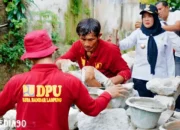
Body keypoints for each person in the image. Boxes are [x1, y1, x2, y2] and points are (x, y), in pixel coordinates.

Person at [0, 30, 128, 130]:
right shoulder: (71, 82)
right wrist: (108, 93)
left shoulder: (16, 83)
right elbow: (92, 109)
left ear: (29, 57)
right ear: (52, 51)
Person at [118, 5, 175, 97]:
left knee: (158, 107)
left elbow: (169, 58)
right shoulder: (138, 33)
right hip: (140, 78)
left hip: (160, 79)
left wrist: (170, 79)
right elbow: (126, 44)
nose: (146, 19)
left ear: (155, 18)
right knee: (141, 105)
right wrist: (116, 43)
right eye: (144, 17)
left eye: (150, 16)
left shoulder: (164, 35)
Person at [56, 18, 131, 87]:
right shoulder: (77, 46)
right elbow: (61, 61)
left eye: (91, 40)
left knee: (88, 72)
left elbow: (126, 72)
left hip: (107, 90)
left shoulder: (110, 50)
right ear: (79, 36)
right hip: (87, 88)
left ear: (99, 36)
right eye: (83, 39)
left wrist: (107, 84)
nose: (86, 44)